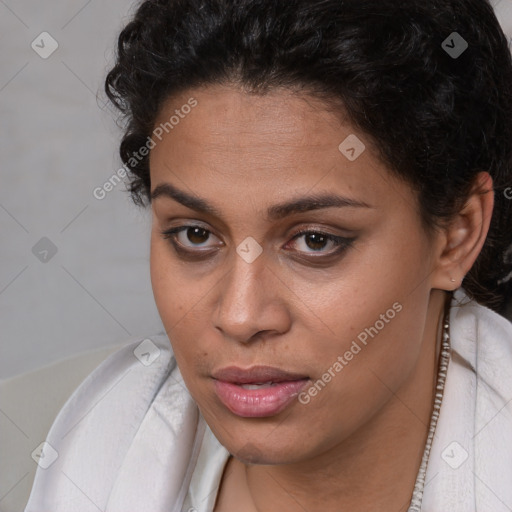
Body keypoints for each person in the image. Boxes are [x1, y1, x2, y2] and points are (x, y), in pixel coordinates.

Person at [25, 0, 512, 510]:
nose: (240, 317)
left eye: (315, 241)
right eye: (195, 234)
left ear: (457, 233)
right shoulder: (94, 453)